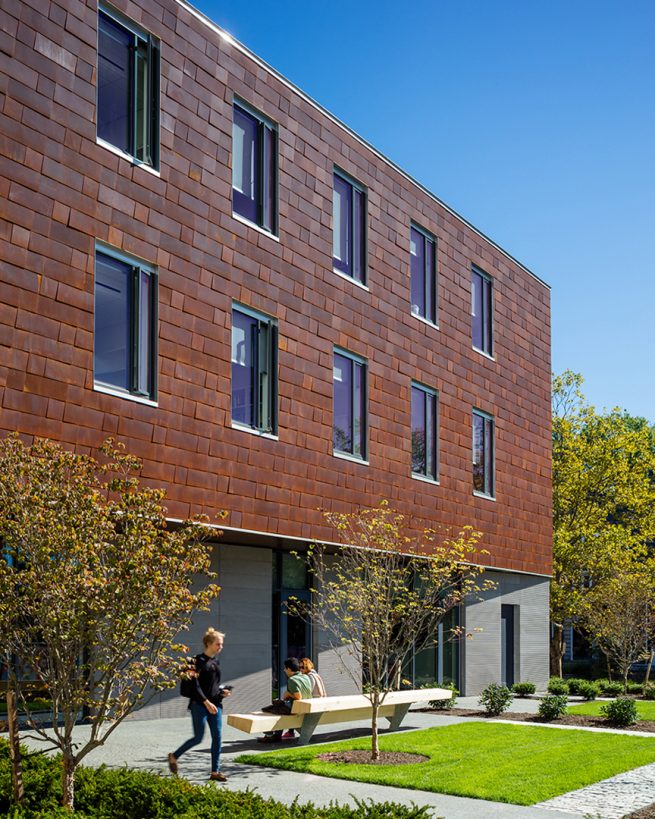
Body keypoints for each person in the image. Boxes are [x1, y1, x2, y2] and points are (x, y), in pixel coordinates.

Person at [168, 628, 231, 781]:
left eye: (221, 644)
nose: (220, 647)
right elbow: (194, 686)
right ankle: (174, 756)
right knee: (198, 738)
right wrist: (206, 702)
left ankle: (215, 772)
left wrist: (222, 693)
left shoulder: (216, 661)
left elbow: (213, 685)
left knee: (217, 737)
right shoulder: (194, 662)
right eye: (218, 644)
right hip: (199, 705)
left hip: (215, 705)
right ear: (208, 643)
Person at [257, 657, 312, 743]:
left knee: (268, 710)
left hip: (297, 709)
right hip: (306, 709)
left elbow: (298, 697)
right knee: (279, 707)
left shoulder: (292, 680)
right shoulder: (305, 677)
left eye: (285, 668)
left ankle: (269, 735)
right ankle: (276, 735)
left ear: (289, 669)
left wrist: (288, 694)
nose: (284, 670)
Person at [282, 657, 327, 739]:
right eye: (300, 667)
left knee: (281, 709)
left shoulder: (308, 677)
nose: (301, 669)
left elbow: (299, 697)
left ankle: (273, 735)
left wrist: (288, 693)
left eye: (303, 667)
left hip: (310, 707)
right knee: (287, 707)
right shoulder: (308, 676)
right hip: (311, 705)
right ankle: (291, 732)